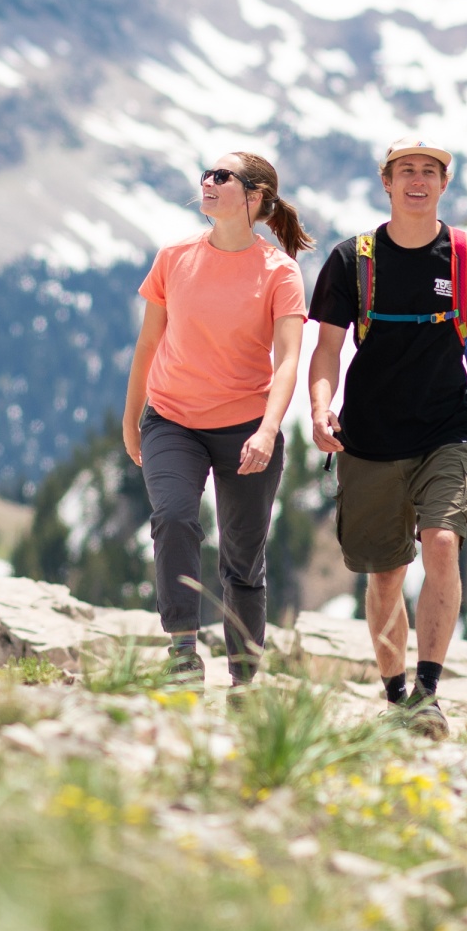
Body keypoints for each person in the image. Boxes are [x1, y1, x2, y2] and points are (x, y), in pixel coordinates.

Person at [306, 140, 467, 738]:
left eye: (429, 172)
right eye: (406, 171)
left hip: (449, 432)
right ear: (386, 183)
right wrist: (319, 407)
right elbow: (327, 348)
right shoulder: (350, 260)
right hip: (369, 436)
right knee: (385, 575)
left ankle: (428, 692)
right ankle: (395, 696)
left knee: (441, 544)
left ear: (444, 184)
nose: (418, 180)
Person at [122, 150, 311, 688]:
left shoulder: (280, 271)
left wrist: (269, 430)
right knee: (175, 517)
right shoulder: (173, 257)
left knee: (242, 561)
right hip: (172, 419)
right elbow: (148, 342)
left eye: (222, 176)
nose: (207, 181)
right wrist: (131, 416)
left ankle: (245, 681)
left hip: (248, 427)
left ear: (254, 198)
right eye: (206, 172)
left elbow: (289, 359)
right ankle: (183, 650)